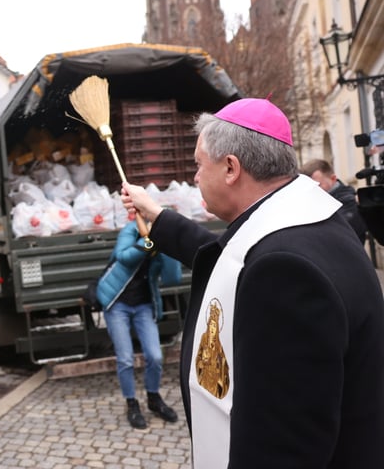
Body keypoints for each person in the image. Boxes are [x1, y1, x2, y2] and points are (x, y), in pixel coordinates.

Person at [120, 98, 384, 469]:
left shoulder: (283, 272)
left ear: (231, 168)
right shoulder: (310, 221)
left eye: (198, 165)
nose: (195, 177)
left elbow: (280, 448)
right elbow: (236, 260)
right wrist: (159, 217)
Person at [96, 218, 181, 430]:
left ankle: (153, 399)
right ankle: (131, 404)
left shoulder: (161, 241)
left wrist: (168, 248)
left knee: (155, 356)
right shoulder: (130, 230)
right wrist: (148, 242)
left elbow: (172, 278)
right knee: (125, 359)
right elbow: (122, 257)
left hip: (144, 305)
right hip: (117, 303)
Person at [300, 158, 367, 242]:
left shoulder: (349, 202)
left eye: (318, 185)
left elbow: (336, 235)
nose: (314, 190)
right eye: (310, 187)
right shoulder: (314, 203)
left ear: (333, 178)